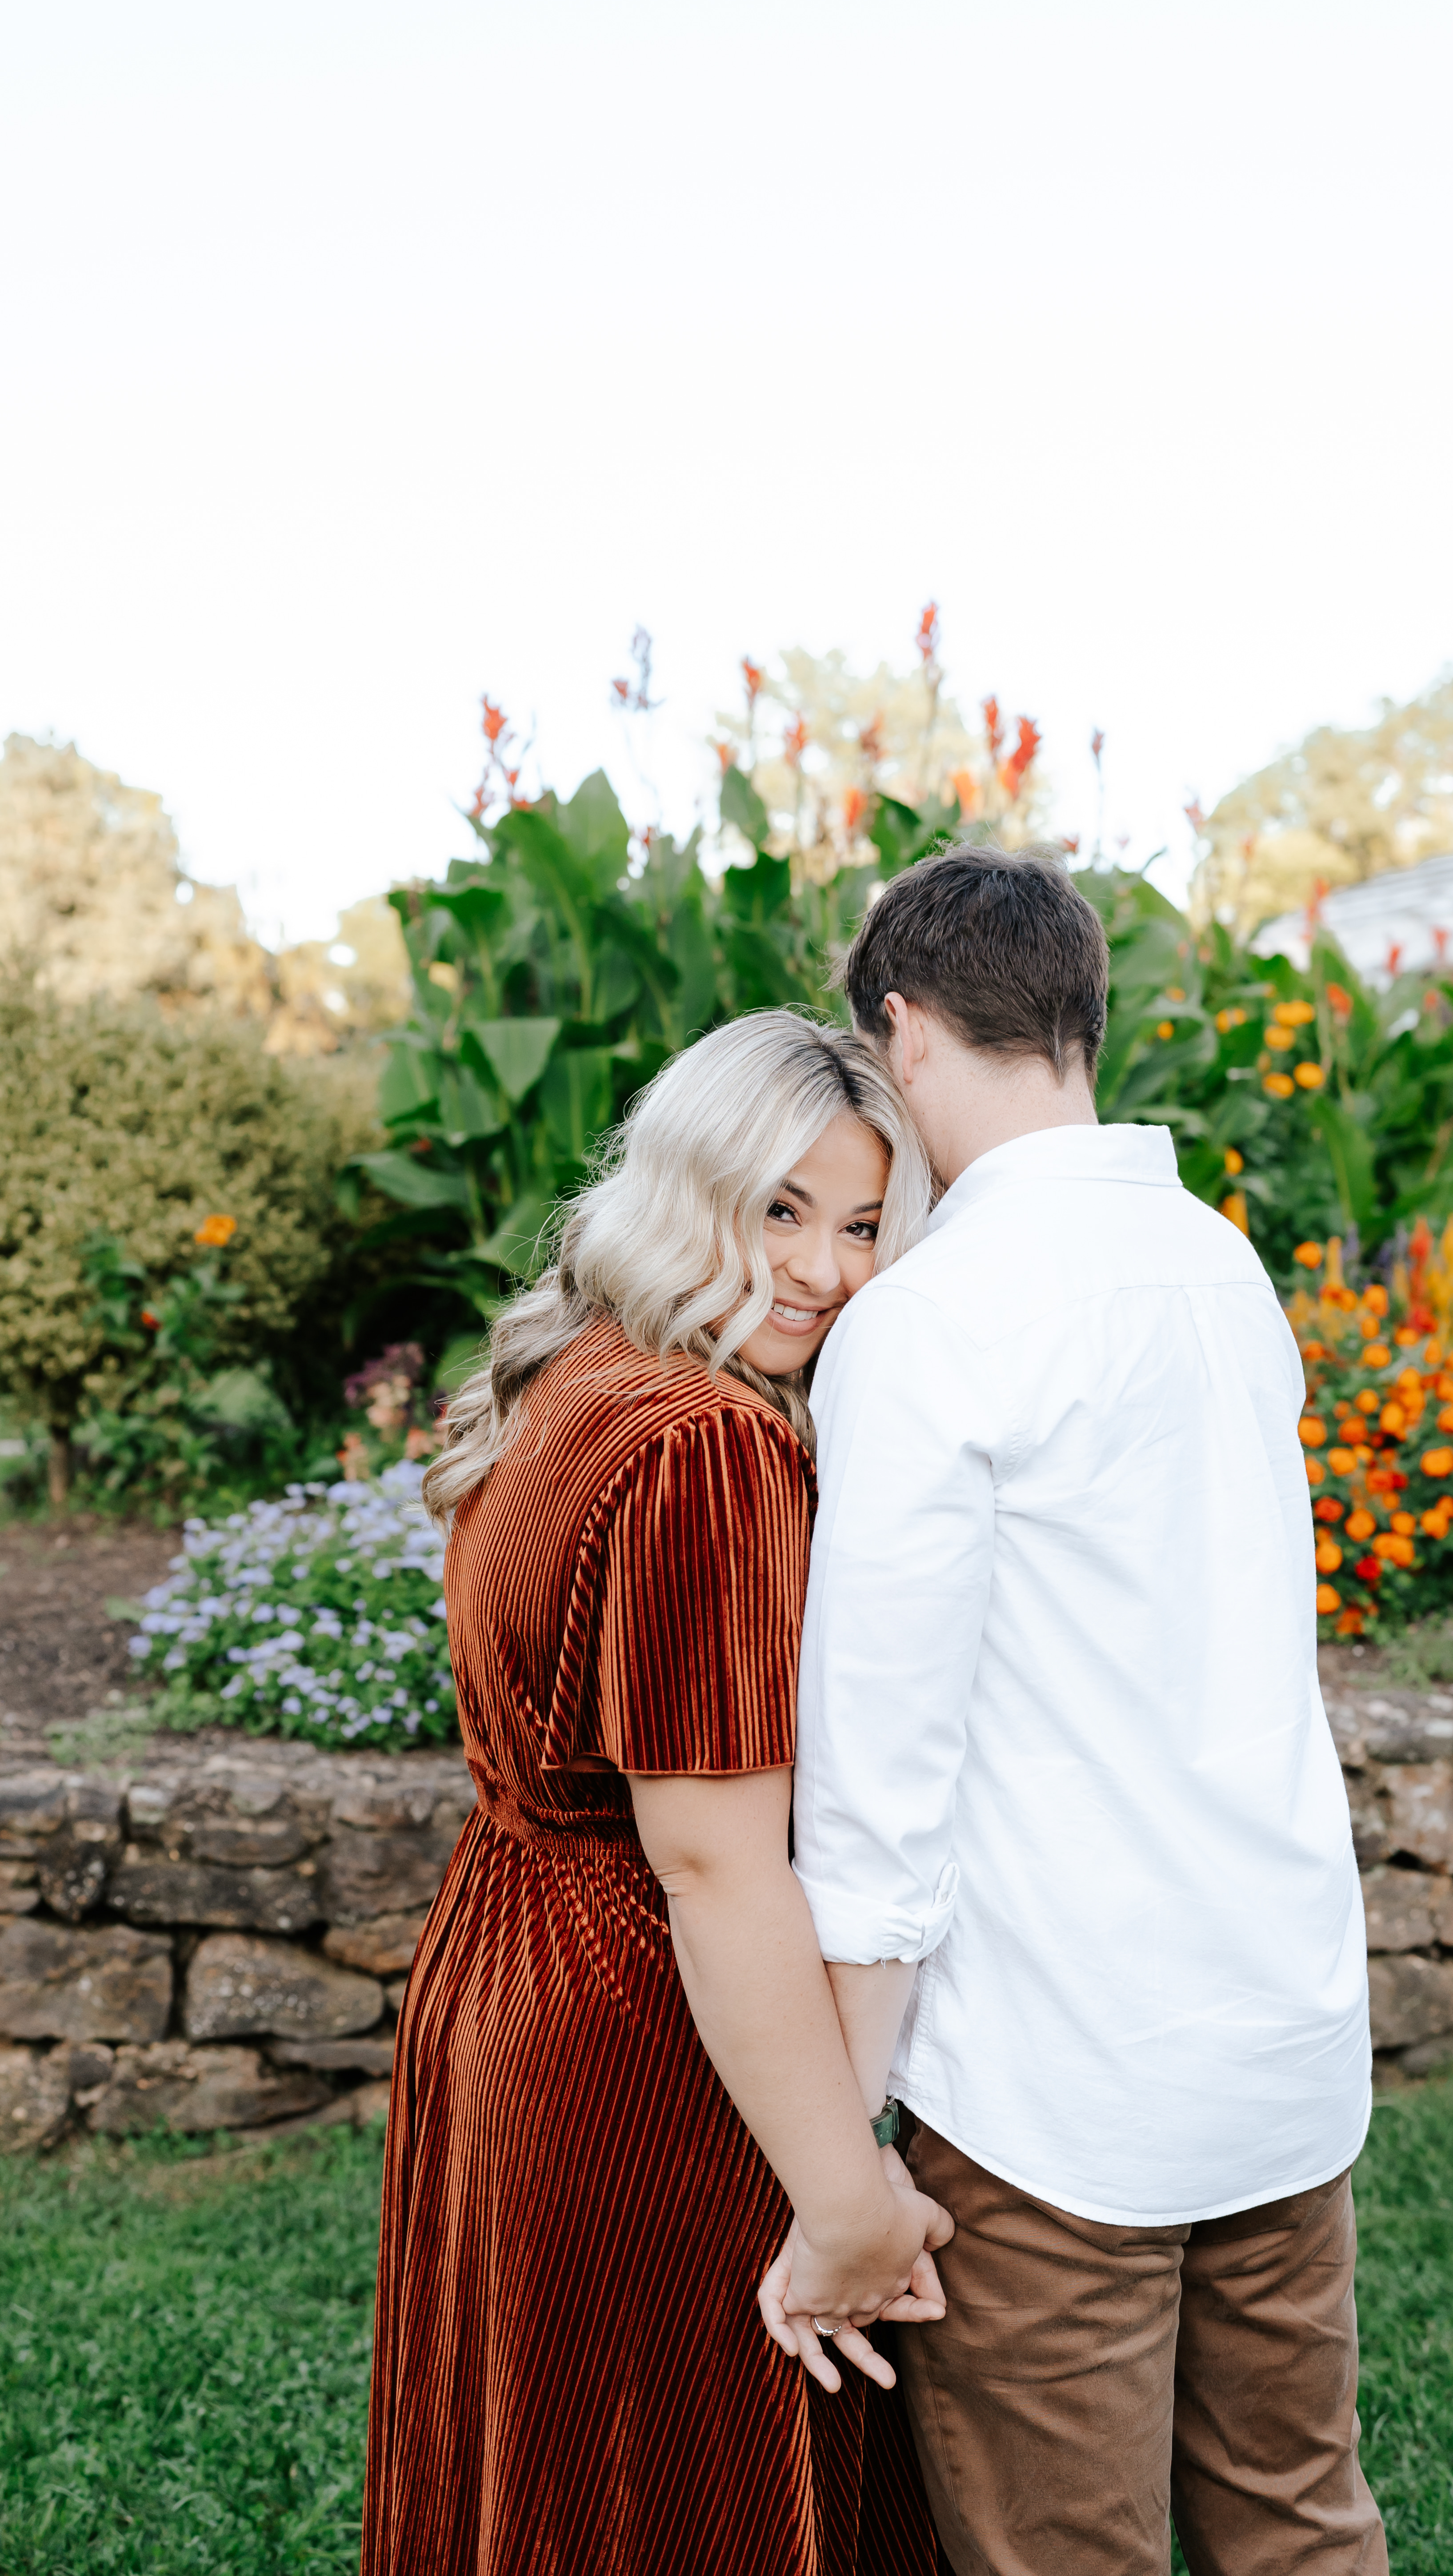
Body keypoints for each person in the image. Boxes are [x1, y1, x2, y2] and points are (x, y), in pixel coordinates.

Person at [768, 848, 1385, 2575]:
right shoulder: (1222, 1271)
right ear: (1075, 1021)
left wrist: (848, 2161)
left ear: (899, 1027)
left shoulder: (928, 1324)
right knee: (1303, 2537)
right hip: (1277, 2043)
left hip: (1056, 2087)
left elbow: (882, 1792)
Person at [361, 1009, 956, 2576]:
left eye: (865, 1224)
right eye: (783, 1209)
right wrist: (850, 2203)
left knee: (555, 2483)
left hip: (499, 1979)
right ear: (695, 1192)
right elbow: (714, 1868)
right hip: (645, 2028)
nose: (826, 1271)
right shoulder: (703, 1446)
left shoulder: (580, 1371)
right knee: (676, 2496)